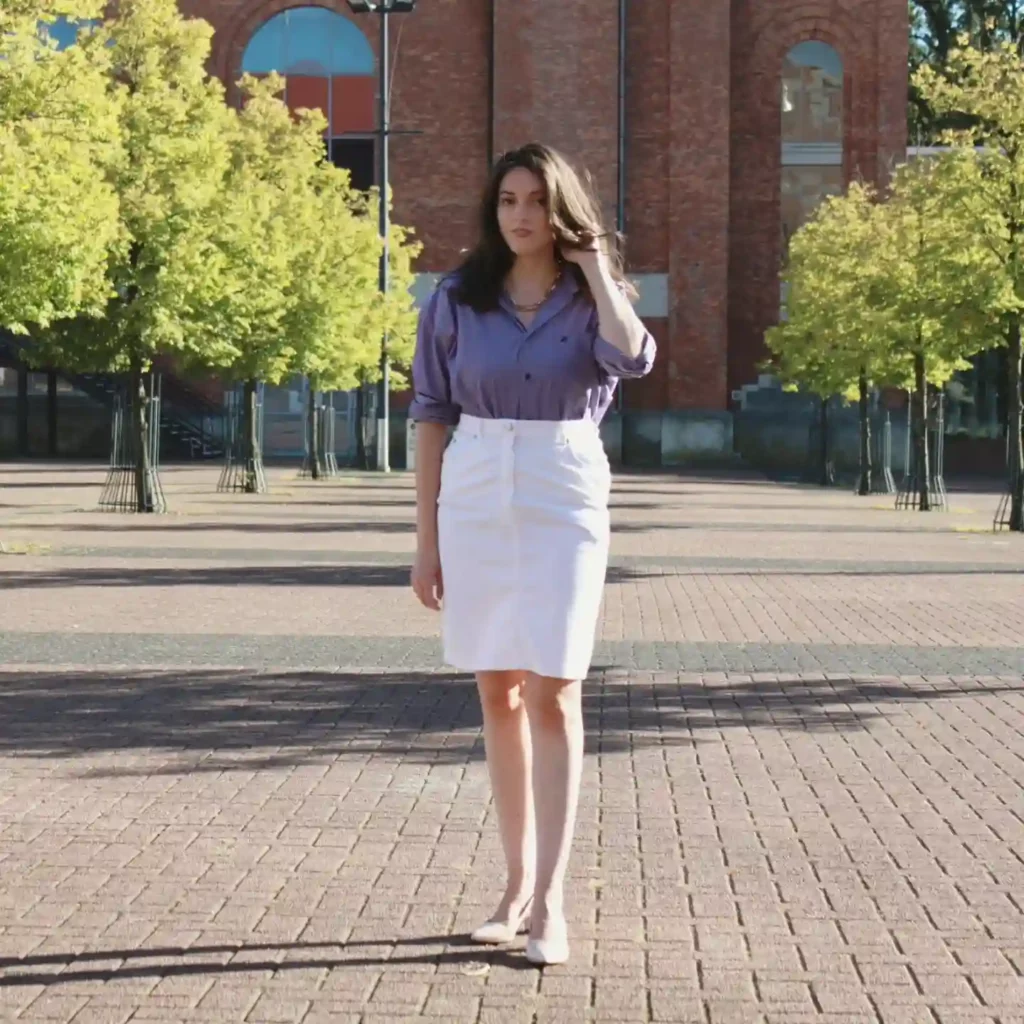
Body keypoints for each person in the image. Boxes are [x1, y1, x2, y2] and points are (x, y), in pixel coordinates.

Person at [408, 142, 656, 966]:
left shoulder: (595, 297)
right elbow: (431, 414)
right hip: (475, 483)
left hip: (563, 482)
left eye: (537, 201)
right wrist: (425, 540)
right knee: (497, 688)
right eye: (509, 199)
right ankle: (513, 888)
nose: (521, 214)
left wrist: (597, 267)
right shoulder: (455, 297)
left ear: (562, 211)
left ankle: (552, 900)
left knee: (556, 684)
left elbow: (635, 357)